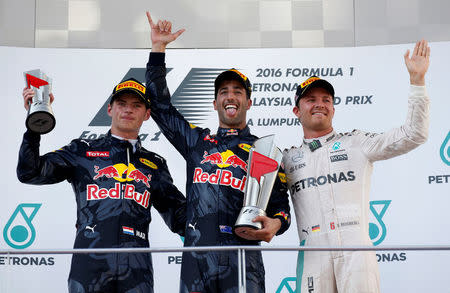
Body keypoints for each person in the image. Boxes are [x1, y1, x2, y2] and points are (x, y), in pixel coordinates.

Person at [144, 12, 291, 293]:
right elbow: (160, 107)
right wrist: (158, 50)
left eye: (238, 91)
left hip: (243, 259)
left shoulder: (264, 152)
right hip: (197, 260)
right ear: (215, 103)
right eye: (223, 91)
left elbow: (281, 208)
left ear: (248, 101)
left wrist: (276, 223)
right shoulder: (198, 142)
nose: (230, 96)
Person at [282, 40, 430, 293]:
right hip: (312, 253)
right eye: (311, 99)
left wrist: (417, 82)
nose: (320, 103)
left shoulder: (356, 143)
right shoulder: (286, 159)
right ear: (296, 110)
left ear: (333, 109)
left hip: (356, 250)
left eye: (326, 99)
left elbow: (414, 134)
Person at [17, 78, 187, 293]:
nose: (128, 110)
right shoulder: (82, 151)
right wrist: (34, 126)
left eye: (136, 105)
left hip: (137, 269)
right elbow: (29, 172)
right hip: (89, 265)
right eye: (122, 104)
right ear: (109, 109)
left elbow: (181, 217)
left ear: (146, 114)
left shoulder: (154, 164)